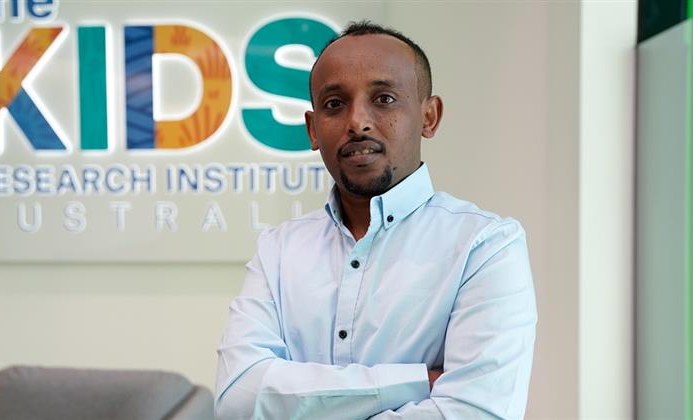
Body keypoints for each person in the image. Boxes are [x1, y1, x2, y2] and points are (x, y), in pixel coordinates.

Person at [215, 21, 537, 420]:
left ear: (429, 116)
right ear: (313, 129)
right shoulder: (278, 249)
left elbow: (476, 412)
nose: (357, 122)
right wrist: (416, 381)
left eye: (384, 99)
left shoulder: (485, 246)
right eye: (335, 104)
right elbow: (238, 398)